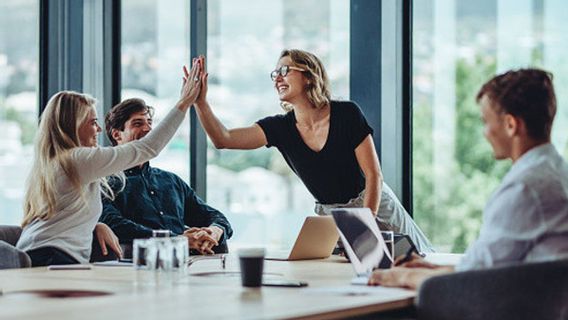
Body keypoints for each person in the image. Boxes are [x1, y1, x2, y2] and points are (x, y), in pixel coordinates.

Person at [191, 49, 434, 252]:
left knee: (417, 260)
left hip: (374, 204)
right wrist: (200, 103)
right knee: (348, 279)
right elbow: (223, 139)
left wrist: (363, 225)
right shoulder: (279, 128)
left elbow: (374, 175)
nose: (277, 78)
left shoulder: (347, 113)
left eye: (285, 70)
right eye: (275, 73)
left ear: (309, 76)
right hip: (331, 218)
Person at [368, 68, 568, 290]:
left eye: (486, 121)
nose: (485, 132)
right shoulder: (557, 173)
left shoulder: (525, 188)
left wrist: (398, 277)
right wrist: (430, 269)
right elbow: (486, 266)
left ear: (511, 125)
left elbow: (473, 281)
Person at [16, 59, 205, 266]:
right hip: (51, 258)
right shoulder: (76, 159)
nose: (98, 130)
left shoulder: (56, 162)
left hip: (40, 254)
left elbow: (63, 215)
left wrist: (95, 225)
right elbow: (147, 148)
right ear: (72, 125)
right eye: (92, 122)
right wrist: (184, 103)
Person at [99, 98, 233, 255]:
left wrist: (214, 231)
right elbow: (115, 225)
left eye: (149, 122)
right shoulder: (105, 183)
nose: (148, 129)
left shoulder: (171, 181)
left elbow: (215, 217)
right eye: (138, 124)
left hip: (188, 266)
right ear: (117, 134)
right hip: (138, 267)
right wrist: (176, 240)